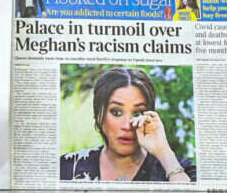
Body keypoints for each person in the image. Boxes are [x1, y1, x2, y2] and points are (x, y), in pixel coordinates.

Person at [60, 68, 195, 183]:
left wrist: (165, 153)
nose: (127, 125)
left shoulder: (181, 171)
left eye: (137, 113)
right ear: (98, 114)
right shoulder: (68, 167)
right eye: (116, 112)